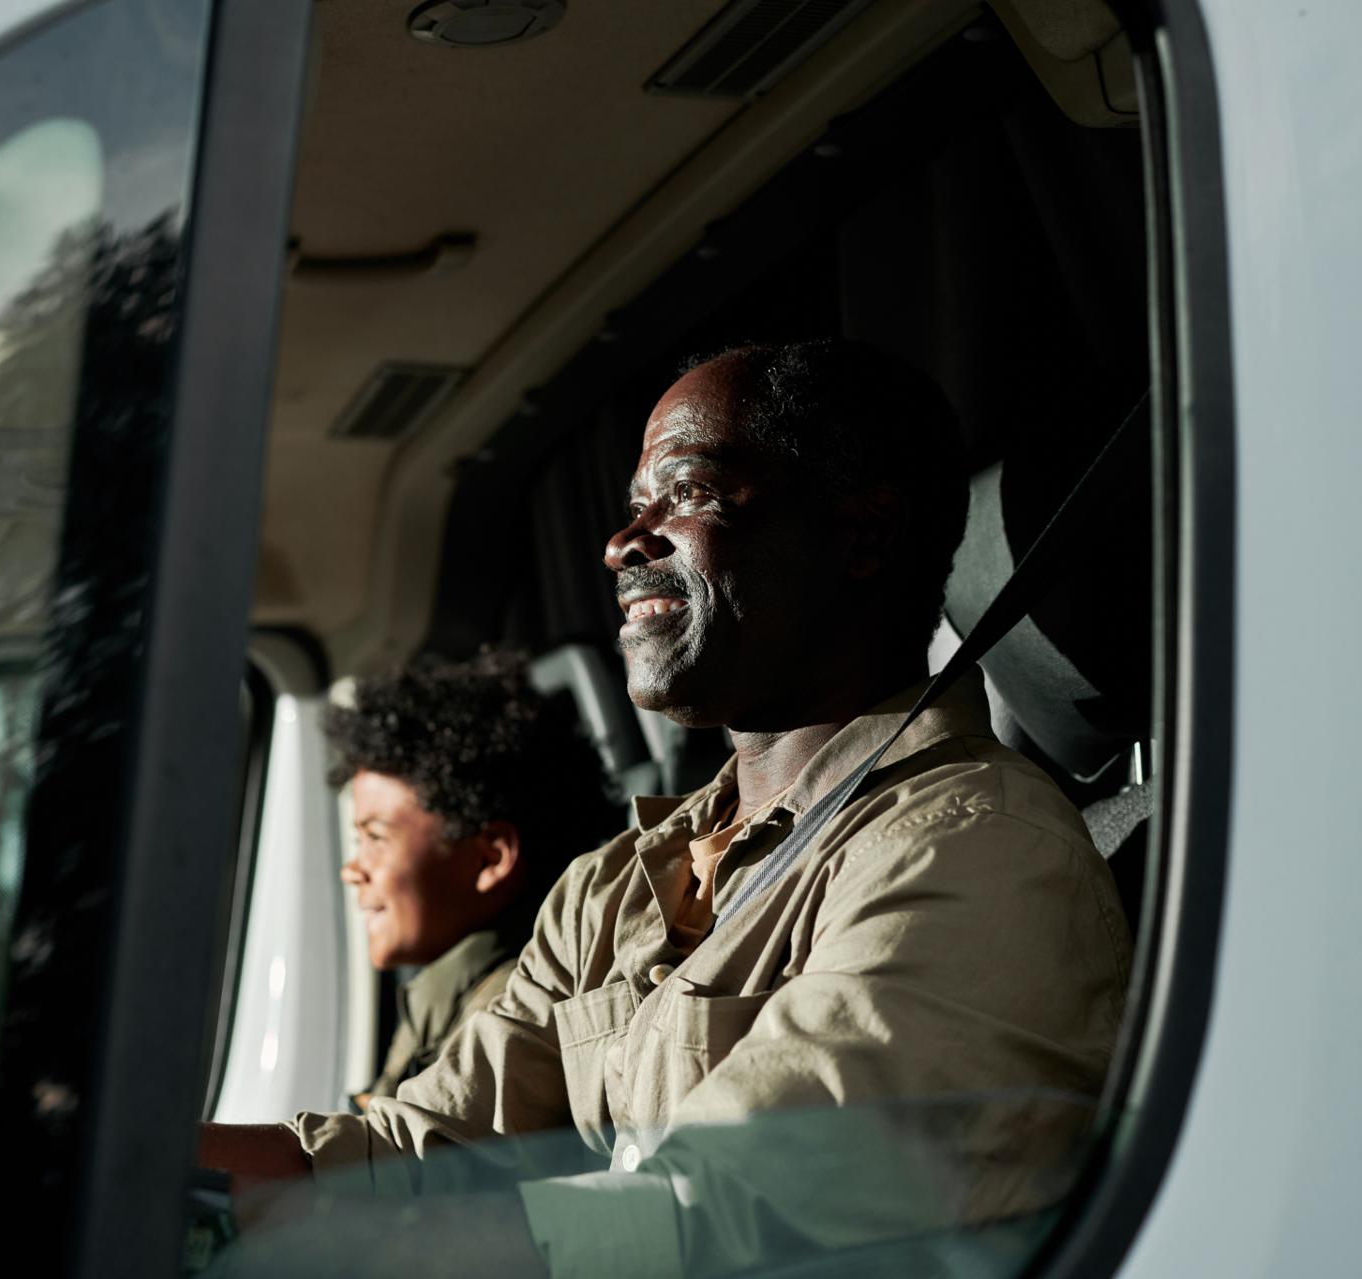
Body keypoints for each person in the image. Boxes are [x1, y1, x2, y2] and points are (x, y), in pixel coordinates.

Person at [198, 339, 1132, 1277]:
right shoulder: (614, 885)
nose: (623, 542)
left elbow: (723, 1216)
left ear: (865, 538)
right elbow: (411, 1147)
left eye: (688, 493)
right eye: (635, 505)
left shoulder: (974, 847)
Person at [326, 652, 618, 1107]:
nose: (351, 870)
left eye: (376, 838)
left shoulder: (505, 1016)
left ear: (490, 859)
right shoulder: (442, 1000)